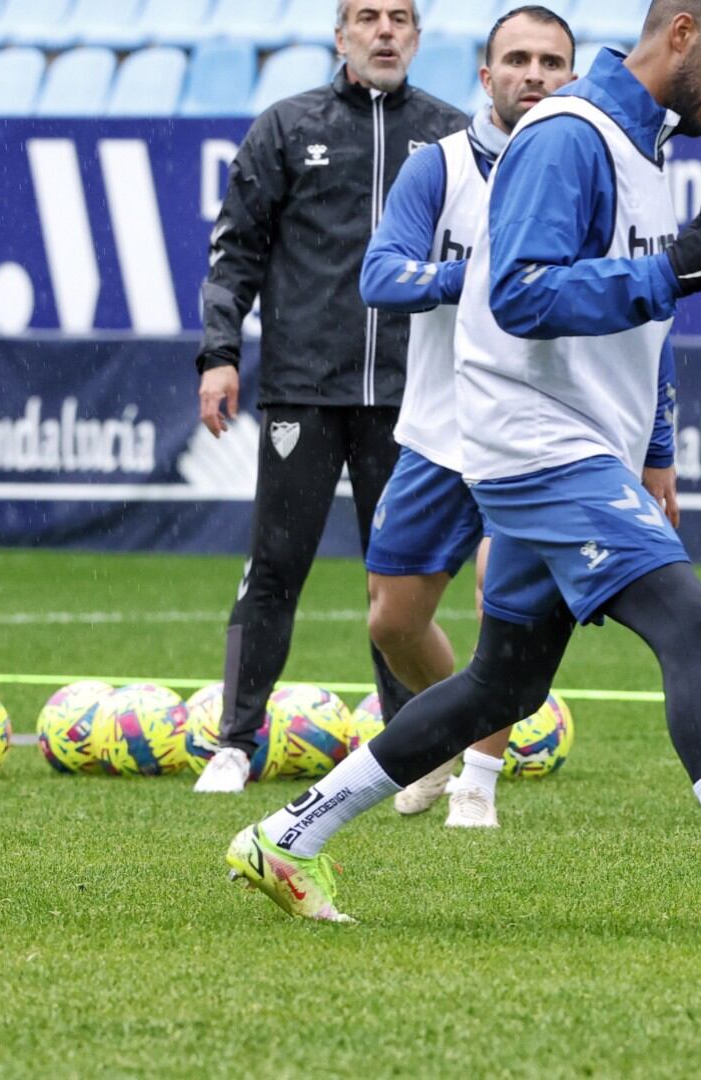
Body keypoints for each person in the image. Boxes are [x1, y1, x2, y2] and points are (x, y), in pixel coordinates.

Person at [226, 0, 701, 936]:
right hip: (533, 440)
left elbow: (652, 325)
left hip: (582, 442)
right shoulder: (570, 135)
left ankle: (285, 837)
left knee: (503, 686)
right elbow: (518, 293)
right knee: (696, 625)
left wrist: (654, 448)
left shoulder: (642, 147)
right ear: (680, 33)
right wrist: (669, 273)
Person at [357, 5, 682, 829]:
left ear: (571, 75)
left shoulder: (593, 160)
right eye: (517, 60)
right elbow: (380, 275)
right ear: (486, 73)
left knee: (494, 608)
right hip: (441, 427)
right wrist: (483, 279)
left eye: (550, 62)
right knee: (394, 618)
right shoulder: (439, 167)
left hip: (542, 433)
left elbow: (646, 314)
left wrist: (658, 450)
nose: (533, 75)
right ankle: (447, 732)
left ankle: (478, 781)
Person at [192, 0, 469, 794]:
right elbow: (234, 250)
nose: (385, 31)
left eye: (400, 18)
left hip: (412, 396)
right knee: (275, 566)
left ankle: (408, 750)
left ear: (418, 37)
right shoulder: (285, 126)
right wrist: (219, 355)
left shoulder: (451, 137)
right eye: (367, 16)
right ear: (339, 34)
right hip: (303, 390)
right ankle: (235, 744)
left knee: (399, 581)